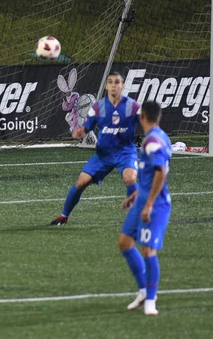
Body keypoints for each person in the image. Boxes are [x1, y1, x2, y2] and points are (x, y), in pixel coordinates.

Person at [51, 71, 140, 225]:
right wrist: (79, 132)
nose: (114, 85)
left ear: (123, 86)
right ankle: (64, 216)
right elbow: (85, 128)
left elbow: (149, 123)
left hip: (125, 153)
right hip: (103, 155)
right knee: (81, 182)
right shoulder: (98, 107)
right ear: (106, 86)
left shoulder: (132, 106)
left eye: (117, 82)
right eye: (110, 82)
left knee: (130, 178)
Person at [118, 101, 171, 316]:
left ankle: (151, 299)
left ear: (142, 118)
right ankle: (143, 290)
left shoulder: (152, 142)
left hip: (156, 204)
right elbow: (149, 176)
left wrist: (148, 204)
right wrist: (136, 196)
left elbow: (161, 173)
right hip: (143, 199)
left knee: (148, 250)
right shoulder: (158, 136)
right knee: (125, 243)